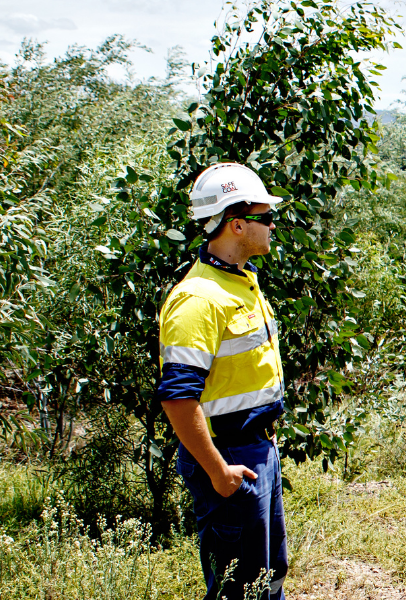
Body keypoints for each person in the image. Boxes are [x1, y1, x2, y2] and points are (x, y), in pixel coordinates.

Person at [156, 162, 289, 600]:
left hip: (257, 449)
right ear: (236, 224)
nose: (272, 225)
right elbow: (178, 398)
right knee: (238, 590)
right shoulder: (199, 299)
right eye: (264, 217)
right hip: (229, 456)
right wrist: (219, 472)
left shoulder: (239, 283)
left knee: (267, 581)